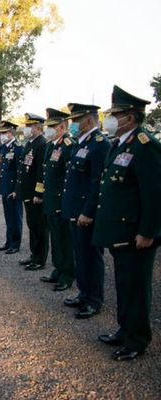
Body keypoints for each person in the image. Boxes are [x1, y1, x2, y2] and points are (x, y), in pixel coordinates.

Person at [93, 86, 161, 361]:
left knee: (136, 286)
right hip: (121, 232)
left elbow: (155, 194)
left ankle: (137, 340)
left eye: (116, 114)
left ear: (130, 118)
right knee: (123, 284)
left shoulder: (146, 145)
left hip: (137, 234)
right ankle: (125, 329)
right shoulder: (120, 144)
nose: (110, 119)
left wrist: (149, 232)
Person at [61, 103, 110, 318]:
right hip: (74, 209)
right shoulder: (81, 143)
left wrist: (89, 211)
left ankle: (94, 299)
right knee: (80, 254)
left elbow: (97, 182)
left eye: (76, 121)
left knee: (91, 256)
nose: (72, 125)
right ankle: (83, 292)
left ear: (89, 121)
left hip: (86, 212)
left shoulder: (99, 144)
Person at [34, 109, 76, 290]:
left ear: (63, 127)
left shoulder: (68, 146)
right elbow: (45, 175)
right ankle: (57, 270)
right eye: (48, 126)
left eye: (53, 126)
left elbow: (69, 178)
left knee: (65, 240)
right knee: (56, 239)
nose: (49, 129)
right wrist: (40, 194)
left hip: (61, 202)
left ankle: (67, 275)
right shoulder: (51, 146)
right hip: (50, 201)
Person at [13, 113, 49, 270]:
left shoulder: (42, 144)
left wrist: (38, 193)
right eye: (26, 126)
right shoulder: (30, 143)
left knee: (40, 227)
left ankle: (40, 259)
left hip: (35, 194)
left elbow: (41, 172)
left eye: (29, 126)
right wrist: (19, 191)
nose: (26, 129)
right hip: (27, 193)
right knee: (32, 225)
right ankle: (34, 255)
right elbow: (23, 170)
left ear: (38, 127)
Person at [0, 121, 24, 254]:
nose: (2, 135)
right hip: (5, 188)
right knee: (8, 217)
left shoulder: (18, 148)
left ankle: (15, 244)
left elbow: (20, 171)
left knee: (15, 217)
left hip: (13, 189)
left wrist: (16, 190)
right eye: (1, 133)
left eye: (4, 133)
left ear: (11, 133)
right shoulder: (4, 147)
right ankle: (9, 242)